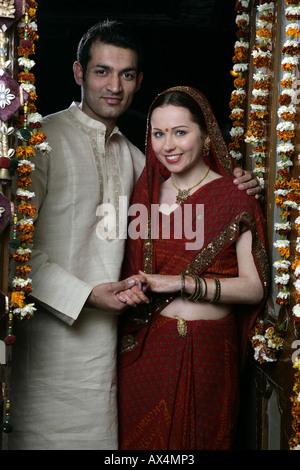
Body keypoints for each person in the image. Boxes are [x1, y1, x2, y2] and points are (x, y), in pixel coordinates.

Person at [8, 19, 261, 450]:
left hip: (112, 349)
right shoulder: (40, 141)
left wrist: (237, 179)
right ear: (78, 73)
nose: (114, 85)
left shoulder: (136, 157)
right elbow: (15, 254)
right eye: (102, 71)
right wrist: (88, 296)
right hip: (49, 345)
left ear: (138, 81)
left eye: (126, 75)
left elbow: (190, 178)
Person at [117, 86, 269, 450]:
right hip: (146, 348)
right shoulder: (145, 196)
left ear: (205, 135)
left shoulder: (235, 195)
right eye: (158, 133)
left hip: (209, 349)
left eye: (180, 132)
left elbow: (254, 287)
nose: (168, 145)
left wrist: (181, 283)